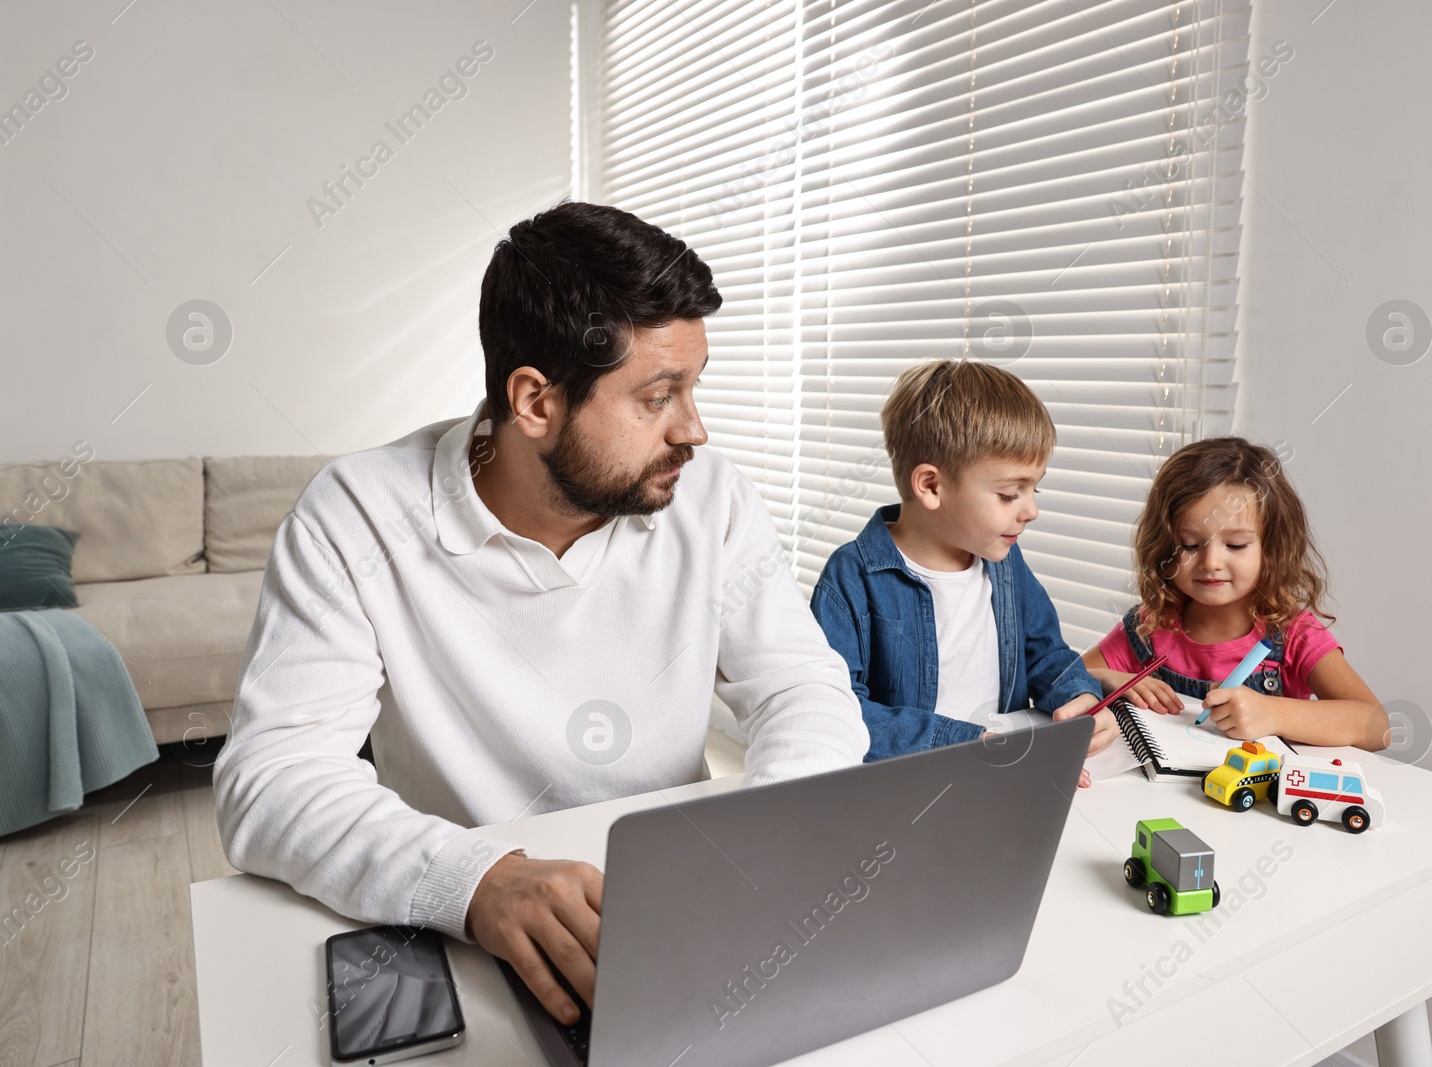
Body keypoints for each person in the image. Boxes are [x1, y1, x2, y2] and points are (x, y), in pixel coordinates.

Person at [213, 201, 869, 1028]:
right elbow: (270, 779)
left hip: (676, 917)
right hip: (466, 929)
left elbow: (802, 687)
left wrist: (770, 828)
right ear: (534, 402)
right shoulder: (357, 514)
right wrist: (476, 879)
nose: (693, 430)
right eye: (658, 396)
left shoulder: (710, 496)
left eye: (692, 388)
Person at [809, 360, 1117, 777]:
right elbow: (838, 709)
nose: (1032, 510)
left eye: (1034, 488)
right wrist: (970, 747)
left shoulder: (1004, 563)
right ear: (932, 486)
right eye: (1010, 494)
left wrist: (1076, 696)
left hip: (1002, 775)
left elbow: (1045, 652)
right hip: (903, 785)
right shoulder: (852, 578)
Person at [1081, 436, 1387, 748]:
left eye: (1236, 545)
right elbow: (1063, 678)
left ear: (1271, 548)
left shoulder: (1296, 634)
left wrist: (1274, 714)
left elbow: (1377, 727)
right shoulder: (1148, 627)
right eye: (1189, 544)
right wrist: (1108, 679)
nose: (1211, 563)